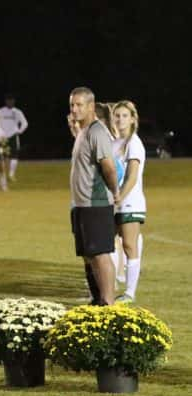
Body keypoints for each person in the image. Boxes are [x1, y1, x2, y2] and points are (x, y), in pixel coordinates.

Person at [68, 87, 119, 306]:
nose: (74, 109)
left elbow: (108, 167)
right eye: (72, 105)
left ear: (91, 106)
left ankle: (108, 302)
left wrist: (115, 191)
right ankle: (97, 299)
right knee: (89, 255)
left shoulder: (97, 131)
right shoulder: (83, 131)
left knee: (100, 254)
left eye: (79, 104)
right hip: (81, 205)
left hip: (95, 203)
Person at [111, 100, 146, 303]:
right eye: (117, 115)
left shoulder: (135, 143)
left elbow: (132, 177)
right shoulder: (115, 144)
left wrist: (119, 198)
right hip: (114, 201)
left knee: (129, 245)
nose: (120, 119)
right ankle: (109, 284)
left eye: (125, 115)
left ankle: (130, 293)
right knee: (107, 244)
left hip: (130, 202)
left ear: (133, 119)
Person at [0, 94, 28, 182]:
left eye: (12, 100)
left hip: (13, 137)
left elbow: (25, 123)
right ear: (6, 101)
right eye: (8, 100)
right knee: (1, 157)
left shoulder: (17, 112)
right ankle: (1, 175)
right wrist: (0, 134)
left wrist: (19, 131)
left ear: (14, 101)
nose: (10, 102)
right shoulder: (0, 111)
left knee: (14, 156)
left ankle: (11, 175)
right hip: (2, 138)